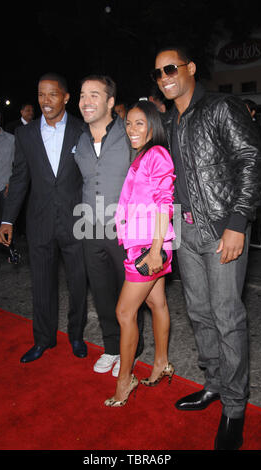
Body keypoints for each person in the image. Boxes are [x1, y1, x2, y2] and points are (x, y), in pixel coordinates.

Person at [153, 45, 261, 450]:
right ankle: (214, 385)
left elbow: (252, 160)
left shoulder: (221, 107)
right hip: (185, 233)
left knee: (226, 316)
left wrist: (237, 224)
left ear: (190, 69)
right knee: (200, 315)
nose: (165, 76)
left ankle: (235, 408)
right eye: (158, 72)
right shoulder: (170, 120)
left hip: (221, 231)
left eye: (171, 68)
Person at [0, 73, 88, 363]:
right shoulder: (26, 134)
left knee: (77, 283)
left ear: (65, 97)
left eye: (52, 95)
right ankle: (43, 339)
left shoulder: (81, 130)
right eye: (40, 95)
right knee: (41, 284)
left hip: (76, 220)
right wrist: (7, 219)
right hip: (39, 221)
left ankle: (76, 335)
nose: (45, 101)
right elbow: (20, 177)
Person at [104, 100, 176, 407]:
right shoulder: (144, 154)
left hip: (151, 248)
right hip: (147, 244)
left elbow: (164, 203)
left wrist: (157, 250)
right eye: (129, 123)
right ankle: (162, 363)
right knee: (157, 302)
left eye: (139, 124)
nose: (132, 130)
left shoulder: (156, 154)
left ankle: (125, 380)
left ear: (152, 126)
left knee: (124, 312)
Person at [74, 75, 144, 377]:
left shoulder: (129, 135)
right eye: (82, 95)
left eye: (94, 95)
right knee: (101, 293)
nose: (86, 101)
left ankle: (133, 349)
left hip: (125, 229)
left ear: (111, 102)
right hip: (90, 229)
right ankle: (112, 348)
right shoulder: (79, 140)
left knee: (128, 295)